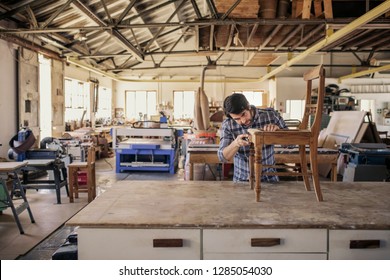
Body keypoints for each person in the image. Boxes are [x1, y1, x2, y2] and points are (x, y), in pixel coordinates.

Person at [217, 93, 288, 182]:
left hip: (269, 178)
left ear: (248, 106)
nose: (243, 121)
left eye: (243, 114)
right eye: (237, 119)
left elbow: (291, 145)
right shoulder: (228, 124)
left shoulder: (271, 116)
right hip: (241, 180)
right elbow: (222, 157)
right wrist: (236, 144)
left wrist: (278, 133)